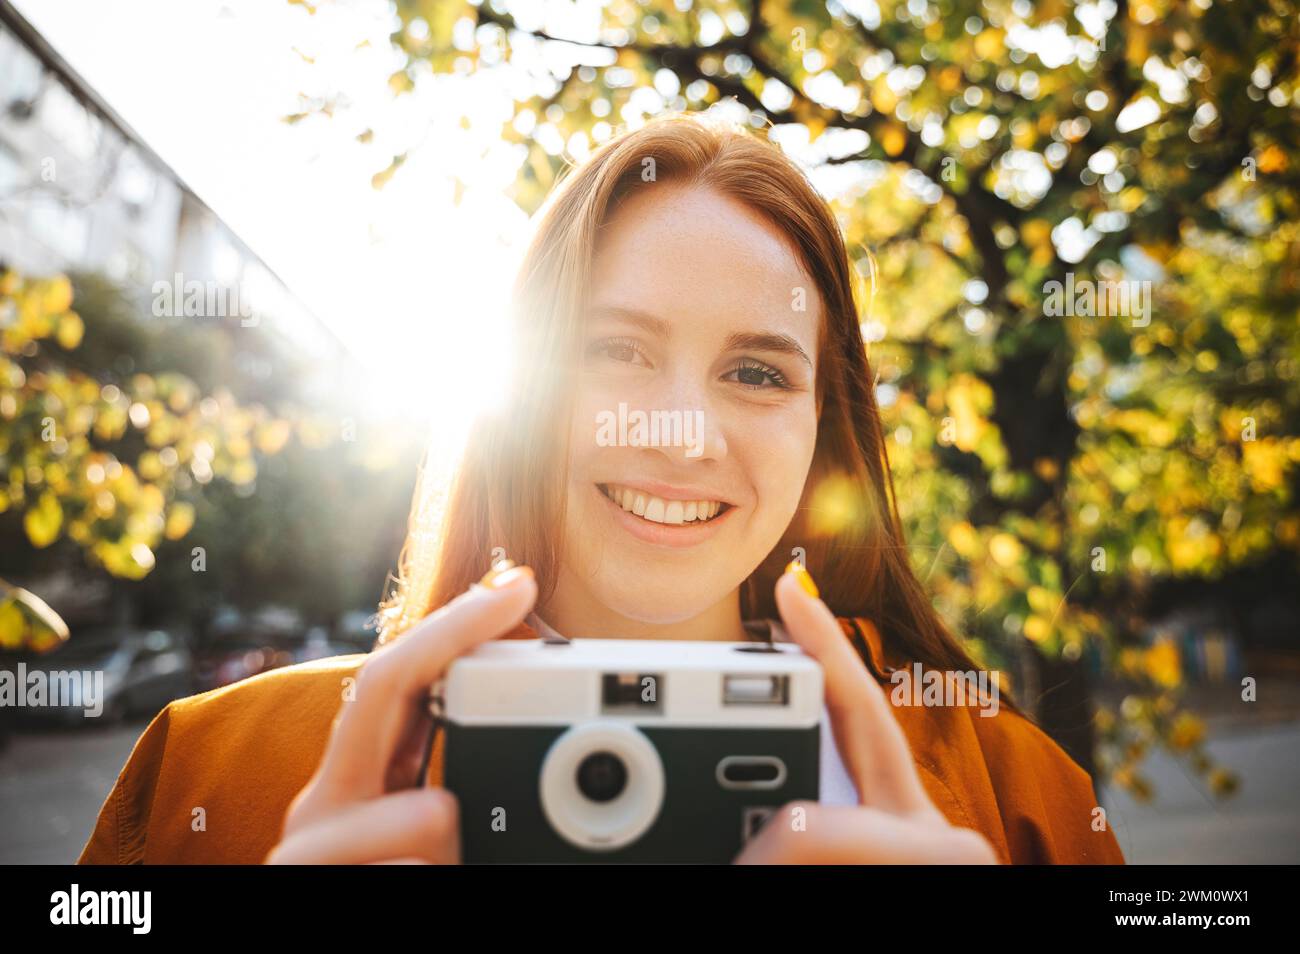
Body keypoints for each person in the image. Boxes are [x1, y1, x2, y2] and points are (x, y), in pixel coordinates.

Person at [78, 114, 1124, 865]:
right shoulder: (203, 777)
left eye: (757, 372)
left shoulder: (1023, 800)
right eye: (616, 351)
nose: (679, 431)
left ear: (824, 432)